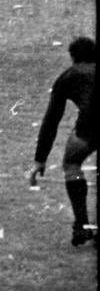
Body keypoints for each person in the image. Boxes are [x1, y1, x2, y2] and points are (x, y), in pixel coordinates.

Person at [29, 37, 96, 247]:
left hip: (89, 128)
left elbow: (52, 120)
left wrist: (40, 159)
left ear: (72, 57)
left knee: (72, 164)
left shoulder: (67, 77)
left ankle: (82, 225)